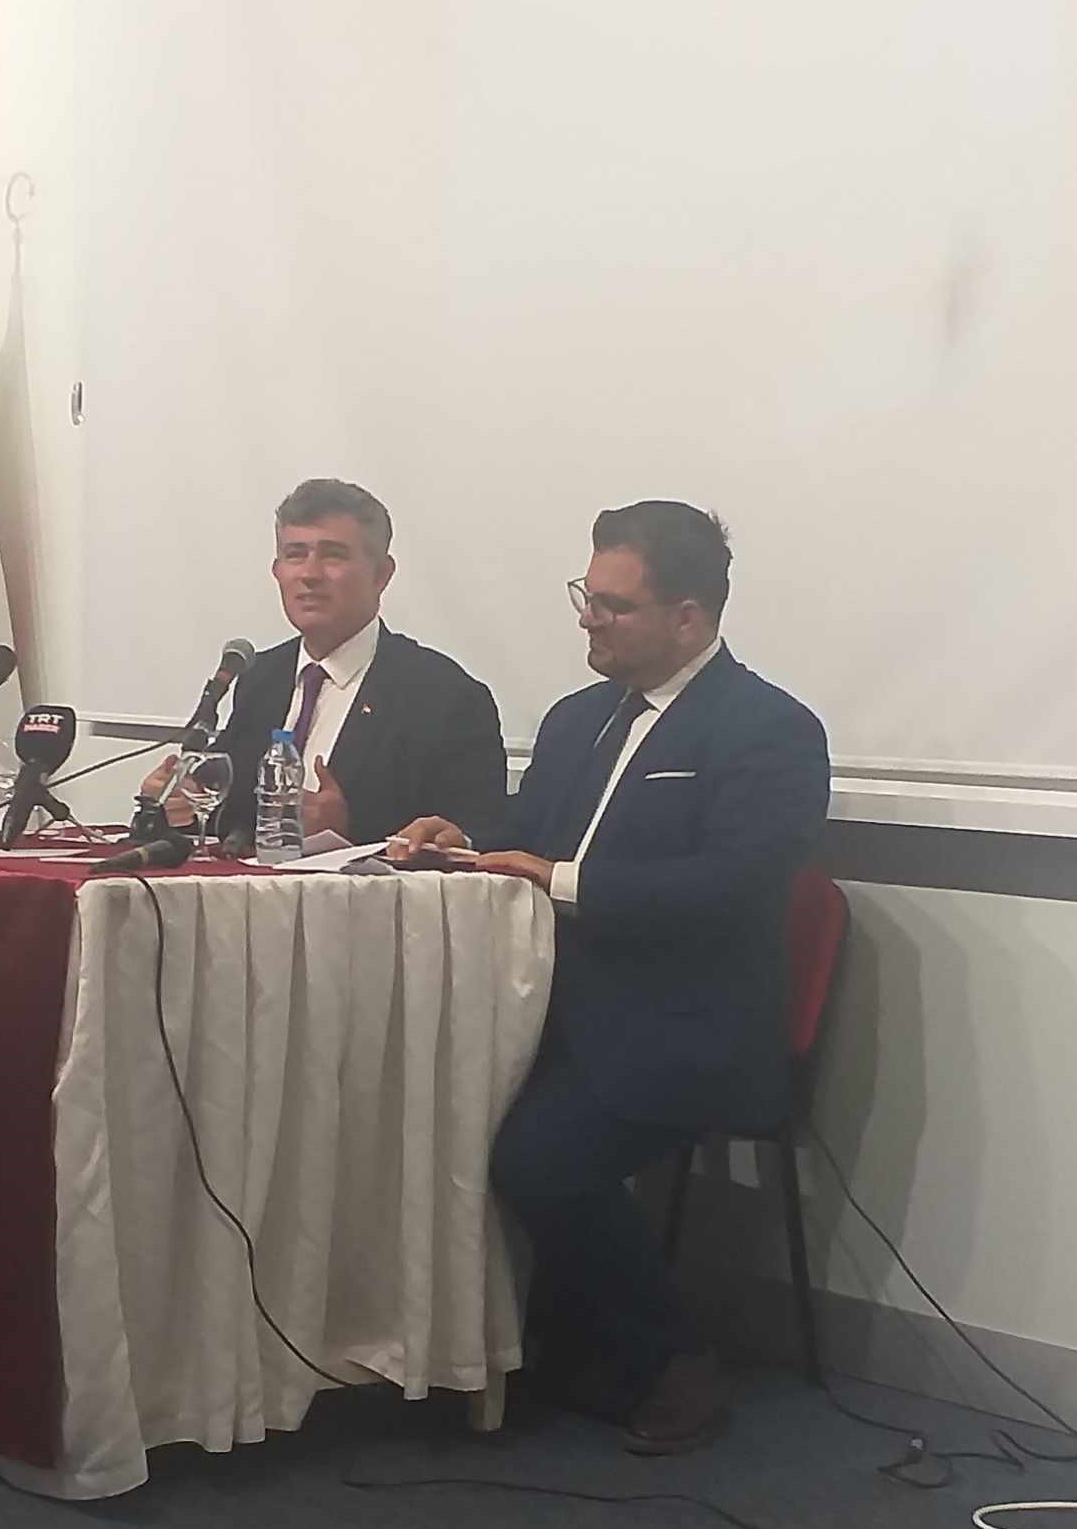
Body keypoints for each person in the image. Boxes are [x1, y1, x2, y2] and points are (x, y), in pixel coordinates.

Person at [392, 499, 830, 1452]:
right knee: (416, 1113)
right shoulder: (577, 718)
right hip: (553, 1002)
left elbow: (732, 888)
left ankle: (674, 1360)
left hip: (689, 1021)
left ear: (689, 616)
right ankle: (514, 1344)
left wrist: (559, 879)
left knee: (536, 1160)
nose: (588, 620)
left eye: (614, 605)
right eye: (584, 597)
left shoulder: (769, 729)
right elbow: (529, 834)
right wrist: (462, 837)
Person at [143, 478, 506, 847]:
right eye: (295, 555)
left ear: (381, 575)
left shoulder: (446, 697)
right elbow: (233, 822)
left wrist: (348, 831)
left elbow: (480, 844)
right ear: (277, 570)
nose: (310, 574)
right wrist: (182, 806)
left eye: (333, 555)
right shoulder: (259, 677)